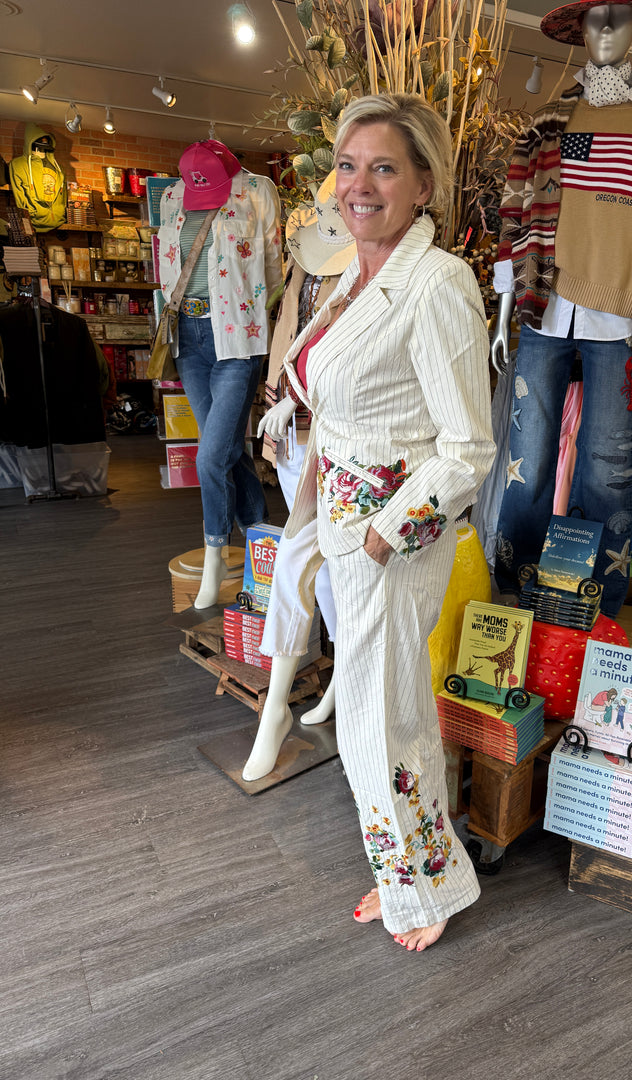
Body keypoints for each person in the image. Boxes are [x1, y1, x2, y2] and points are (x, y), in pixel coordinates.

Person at [258, 93, 494, 951]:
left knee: (377, 720)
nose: (359, 184)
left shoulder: (437, 285)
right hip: (347, 522)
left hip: (392, 540)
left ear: (424, 183)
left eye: (384, 166)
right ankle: (417, 872)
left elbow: (469, 447)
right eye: (348, 165)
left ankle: (422, 893)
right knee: (382, 715)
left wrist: (385, 531)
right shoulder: (357, 274)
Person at [490, 0, 632, 616]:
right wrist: (503, 303)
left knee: (606, 470)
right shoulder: (552, 117)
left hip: (623, 313)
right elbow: (517, 207)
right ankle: (512, 598)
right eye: (594, 17)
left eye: (619, 15)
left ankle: (591, 607)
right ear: (579, 28)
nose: (605, 28)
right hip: (547, 307)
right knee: (528, 458)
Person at [242, 175, 356, 782]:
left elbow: (350, 355)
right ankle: (333, 679)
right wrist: (276, 403)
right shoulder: (305, 259)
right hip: (292, 426)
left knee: (295, 560)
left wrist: (302, 398)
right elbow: (289, 335)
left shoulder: (368, 269)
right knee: (321, 567)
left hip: (338, 436)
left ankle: (275, 712)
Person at [157, 140, 284, 607]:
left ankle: (215, 560)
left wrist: (250, 312)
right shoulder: (173, 197)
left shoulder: (257, 191)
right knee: (229, 448)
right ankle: (261, 542)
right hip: (189, 338)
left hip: (237, 337)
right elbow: (168, 265)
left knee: (210, 457)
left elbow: (273, 266)